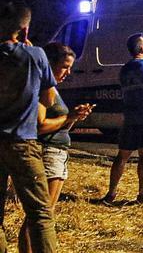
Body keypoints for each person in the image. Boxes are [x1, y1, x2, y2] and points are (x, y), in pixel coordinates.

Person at [20, 43, 92, 253]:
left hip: (57, 153)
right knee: (40, 215)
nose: (68, 72)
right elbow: (40, 126)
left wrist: (73, 118)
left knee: (43, 214)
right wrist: (68, 116)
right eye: (64, 67)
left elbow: (60, 125)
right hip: (48, 153)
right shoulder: (41, 88)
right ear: (49, 64)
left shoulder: (51, 89)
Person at [0, 3, 59, 253]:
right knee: (40, 214)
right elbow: (49, 100)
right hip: (22, 143)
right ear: (25, 30)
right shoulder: (36, 56)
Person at [100, 33, 143, 205]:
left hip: (129, 118)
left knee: (122, 156)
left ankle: (111, 193)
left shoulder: (125, 69)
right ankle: (142, 193)